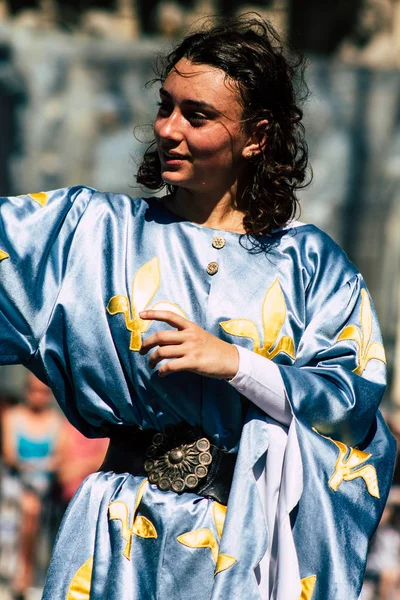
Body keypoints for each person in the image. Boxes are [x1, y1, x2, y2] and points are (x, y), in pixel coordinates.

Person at [0, 16, 395, 600]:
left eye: (198, 115)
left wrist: (238, 365)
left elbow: (351, 403)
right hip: (114, 542)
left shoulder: (311, 265)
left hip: (241, 548)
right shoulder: (88, 233)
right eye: (166, 106)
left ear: (257, 134)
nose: (168, 129)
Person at [1, 373, 63, 599]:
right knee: (28, 509)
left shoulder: (55, 421)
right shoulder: (13, 416)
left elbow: (59, 457)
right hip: (16, 482)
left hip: (44, 486)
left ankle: (26, 574)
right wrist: (37, 467)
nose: (38, 395)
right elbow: (10, 456)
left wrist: (39, 469)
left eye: (43, 391)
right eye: (33, 390)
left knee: (34, 510)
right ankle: (22, 572)